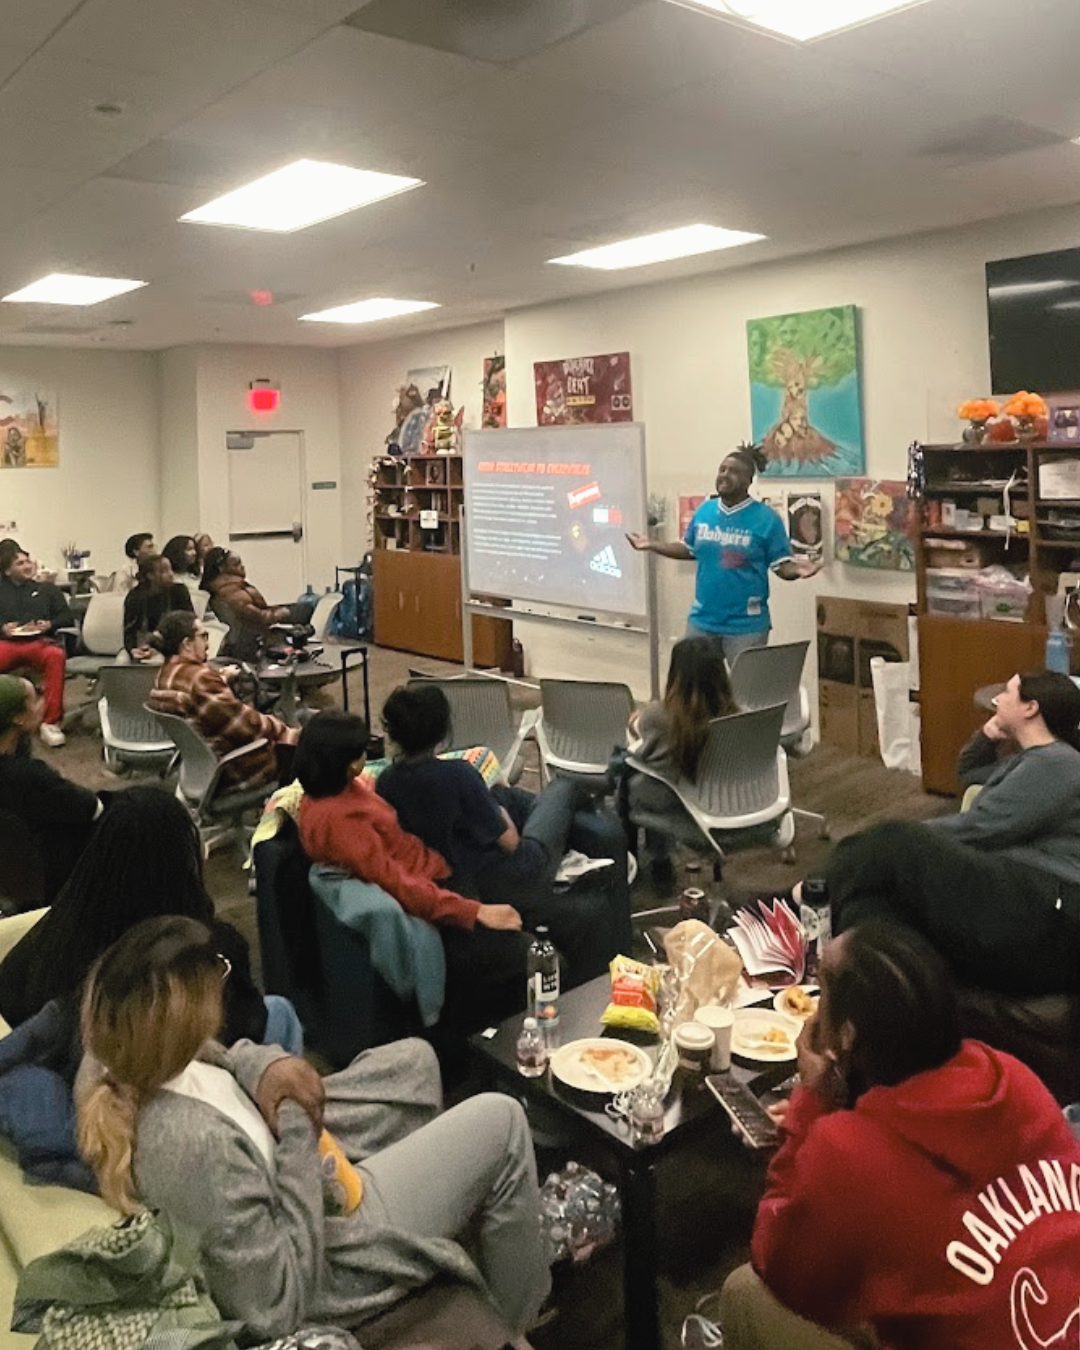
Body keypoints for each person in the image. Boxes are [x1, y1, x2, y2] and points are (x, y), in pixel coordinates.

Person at [77, 915, 549, 1345]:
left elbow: (225, 1053)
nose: (225, 984)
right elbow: (276, 1307)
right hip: (324, 1236)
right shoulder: (193, 1145)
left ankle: (456, 1205)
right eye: (217, 976)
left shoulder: (128, 1058)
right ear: (184, 1013)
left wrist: (266, 1067)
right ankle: (514, 1323)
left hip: (295, 1159)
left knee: (416, 1061)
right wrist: (297, 1126)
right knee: (501, 1119)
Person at [719, 921, 1080, 1350]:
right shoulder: (1012, 1077)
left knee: (744, 1293)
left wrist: (810, 1105)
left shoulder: (848, 1150)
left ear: (847, 1035)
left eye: (823, 992)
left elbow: (777, 1259)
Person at [816, 670, 1080, 997]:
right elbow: (971, 773)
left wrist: (907, 840)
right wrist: (987, 734)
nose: (999, 698)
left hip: (1046, 906)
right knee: (870, 907)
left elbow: (981, 826)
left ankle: (800, 898)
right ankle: (845, 996)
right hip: (1017, 888)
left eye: (1008, 692)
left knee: (896, 842)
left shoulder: (1059, 764)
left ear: (1030, 708)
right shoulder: (1031, 760)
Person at [0, 785, 287, 1048]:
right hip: (167, 1082)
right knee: (280, 1013)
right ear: (182, 864)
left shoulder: (59, 929)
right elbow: (240, 1033)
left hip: (65, 1079)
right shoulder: (210, 950)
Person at [376, 684, 631, 979]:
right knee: (564, 787)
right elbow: (511, 842)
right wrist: (499, 813)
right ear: (442, 729)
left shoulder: (386, 783)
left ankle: (584, 801)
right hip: (519, 871)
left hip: (464, 881)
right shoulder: (459, 775)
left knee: (515, 798)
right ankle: (607, 787)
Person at [295, 710, 532, 1028]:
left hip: (436, 872)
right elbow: (396, 882)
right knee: (530, 951)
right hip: (433, 891)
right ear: (349, 762)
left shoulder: (341, 789)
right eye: (362, 752)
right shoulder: (340, 822)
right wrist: (473, 911)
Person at [627, 443, 820, 667]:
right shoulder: (705, 510)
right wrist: (652, 544)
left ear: (749, 481)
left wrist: (797, 569)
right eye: (722, 470)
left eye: (734, 472)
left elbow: (781, 566)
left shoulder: (766, 519)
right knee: (697, 691)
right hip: (702, 621)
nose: (725, 476)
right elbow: (690, 549)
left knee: (745, 695)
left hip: (746, 627)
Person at [621, 635, 740, 880]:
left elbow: (635, 727)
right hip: (727, 804)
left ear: (676, 674)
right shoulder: (739, 717)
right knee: (657, 768)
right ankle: (659, 857)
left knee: (638, 771)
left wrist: (638, 716)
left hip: (680, 805)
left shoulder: (660, 716)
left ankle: (642, 859)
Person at [147, 610, 297, 791]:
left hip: (202, 769)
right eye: (203, 636)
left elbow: (196, 698)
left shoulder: (162, 676)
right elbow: (248, 727)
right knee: (306, 739)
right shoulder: (201, 680)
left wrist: (220, 678)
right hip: (238, 771)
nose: (208, 643)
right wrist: (286, 730)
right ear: (187, 644)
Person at [0, 675, 100, 901]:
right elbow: (93, 809)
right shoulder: (31, 778)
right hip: (48, 880)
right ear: (18, 718)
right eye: (35, 699)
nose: (42, 704)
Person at [0, 538, 73, 747]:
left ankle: (50, 723)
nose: (27, 566)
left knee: (56, 656)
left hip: (38, 642)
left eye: (27, 561)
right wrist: (3, 627)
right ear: (7, 571)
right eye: (19, 564)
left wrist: (49, 624)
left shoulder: (47, 590)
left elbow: (66, 617)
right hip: (7, 643)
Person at [201, 546, 294, 661]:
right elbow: (257, 617)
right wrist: (280, 613)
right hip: (249, 642)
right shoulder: (230, 591)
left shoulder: (226, 586)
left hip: (249, 636)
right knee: (303, 610)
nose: (242, 567)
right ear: (221, 568)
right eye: (236, 564)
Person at [122, 552, 194, 658]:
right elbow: (129, 630)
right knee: (122, 662)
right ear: (150, 575)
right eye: (164, 571)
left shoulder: (179, 591)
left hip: (175, 646)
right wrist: (133, 649)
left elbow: (189, 623)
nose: (171, 574)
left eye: (171, 569)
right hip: (144, 646)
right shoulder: (135, 596)